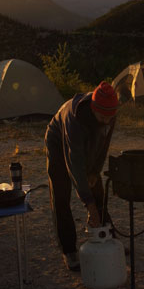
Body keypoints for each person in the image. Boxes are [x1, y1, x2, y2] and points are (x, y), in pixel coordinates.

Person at [44, 81, 119, 271]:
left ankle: (108, 240)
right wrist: (88, 203)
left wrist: (94, 171)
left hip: (85, 139)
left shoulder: (109, 114)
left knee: (98, 189)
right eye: (103, 116)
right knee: (61, 195)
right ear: (94, 109)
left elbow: (103, 146)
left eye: (110, 117)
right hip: (57, 140)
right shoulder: (74, 119)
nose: (106, 121)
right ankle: (68, 250)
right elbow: (75, 164)